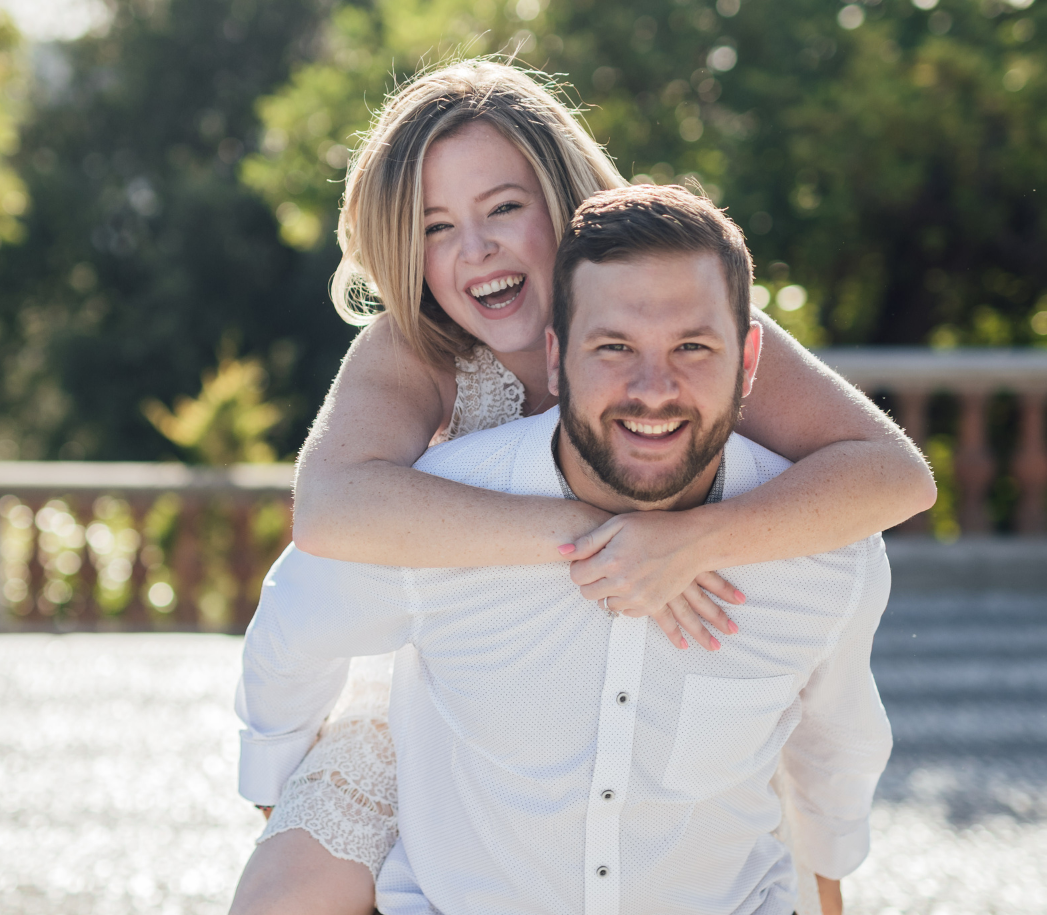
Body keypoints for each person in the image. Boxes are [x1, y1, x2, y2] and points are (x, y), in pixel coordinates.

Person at [229, 61, 932, 915]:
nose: (475, 249)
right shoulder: (413, 349)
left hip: (683, 671)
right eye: (434, 227)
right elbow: (330, 510)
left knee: (751, 811)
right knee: (283, 891)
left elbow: (893, 475)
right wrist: (586, 531)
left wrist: (691, 540)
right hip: (456, 694)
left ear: (561, 197)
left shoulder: (674, 308)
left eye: (503, 209)